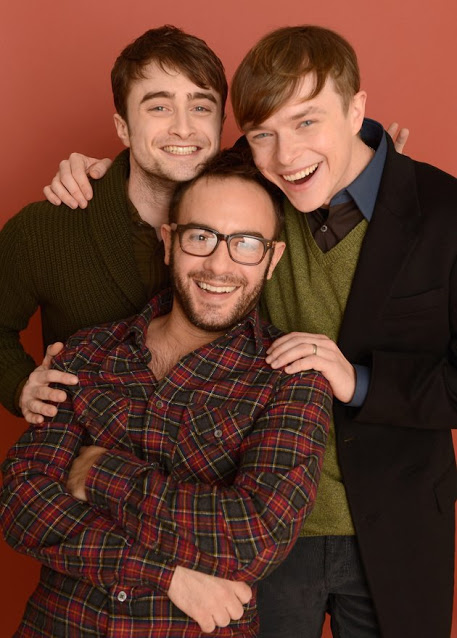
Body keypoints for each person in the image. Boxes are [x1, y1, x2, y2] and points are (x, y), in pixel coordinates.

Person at [44, 23, 456, 638]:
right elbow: (171, 175)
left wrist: (360, 381)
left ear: (356, 111)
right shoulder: (260, 181)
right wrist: (100, 178)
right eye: (263, 133)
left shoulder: (444, 211)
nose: (287, 155)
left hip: (396, 523)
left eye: (309, 121)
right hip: (257, 526)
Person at [0, 149, 332, 637]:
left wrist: (99, 472)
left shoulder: (292, 380)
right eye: (201, 237)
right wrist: (170, 576)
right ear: (170, 242)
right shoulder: (87, 353)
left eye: (245, 243)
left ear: (271, 258)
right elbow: (21, 503)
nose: (219, 265)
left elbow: (254, 538)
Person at [0, 25, 227, 422]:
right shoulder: (43, 229)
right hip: (78, 451)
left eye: (201, 107)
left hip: (207, 456)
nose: (183, 127)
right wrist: (19, 386)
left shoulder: (255, 227)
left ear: (221, 124)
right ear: (123, 128)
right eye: (159, 107)